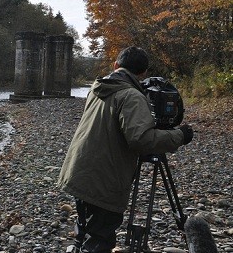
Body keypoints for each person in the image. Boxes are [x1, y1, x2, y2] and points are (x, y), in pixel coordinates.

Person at [57, 46, 193, 253]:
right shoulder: (131, 96)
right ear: (143, 73)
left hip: (80, 170)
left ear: (116, 66)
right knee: (100, 239)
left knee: (86, 230)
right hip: (104, 179)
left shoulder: (99, 87)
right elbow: (142, 140)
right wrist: (180, 136)